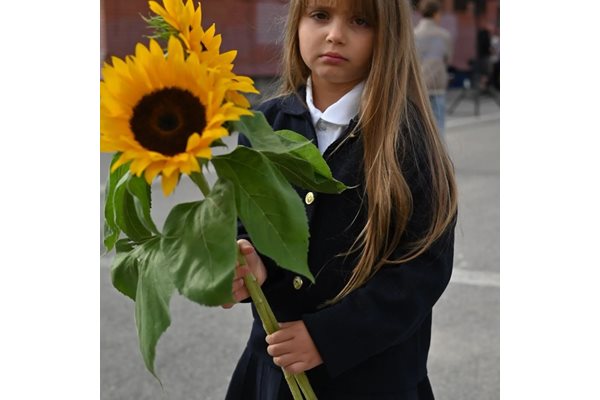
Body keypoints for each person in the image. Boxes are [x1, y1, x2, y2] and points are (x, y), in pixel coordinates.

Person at [223, 0, 458, 399]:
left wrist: (327, 337)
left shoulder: (409, 140)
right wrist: (247, 261)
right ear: (296, 23)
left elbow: (421, 272)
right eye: (320, 16)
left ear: (388, 36)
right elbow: (245, 222)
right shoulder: (262, 126)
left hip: (375, 377)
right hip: (276, 371)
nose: (335, 34)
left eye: (360, 21)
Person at [414, 0, 453, 137]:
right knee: (438, 129)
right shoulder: (444, 36)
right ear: (436, 14)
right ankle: (438, 158)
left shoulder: (413, 35)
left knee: (419, 129)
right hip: (437, 85)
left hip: (418, 87)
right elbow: (448, 59)